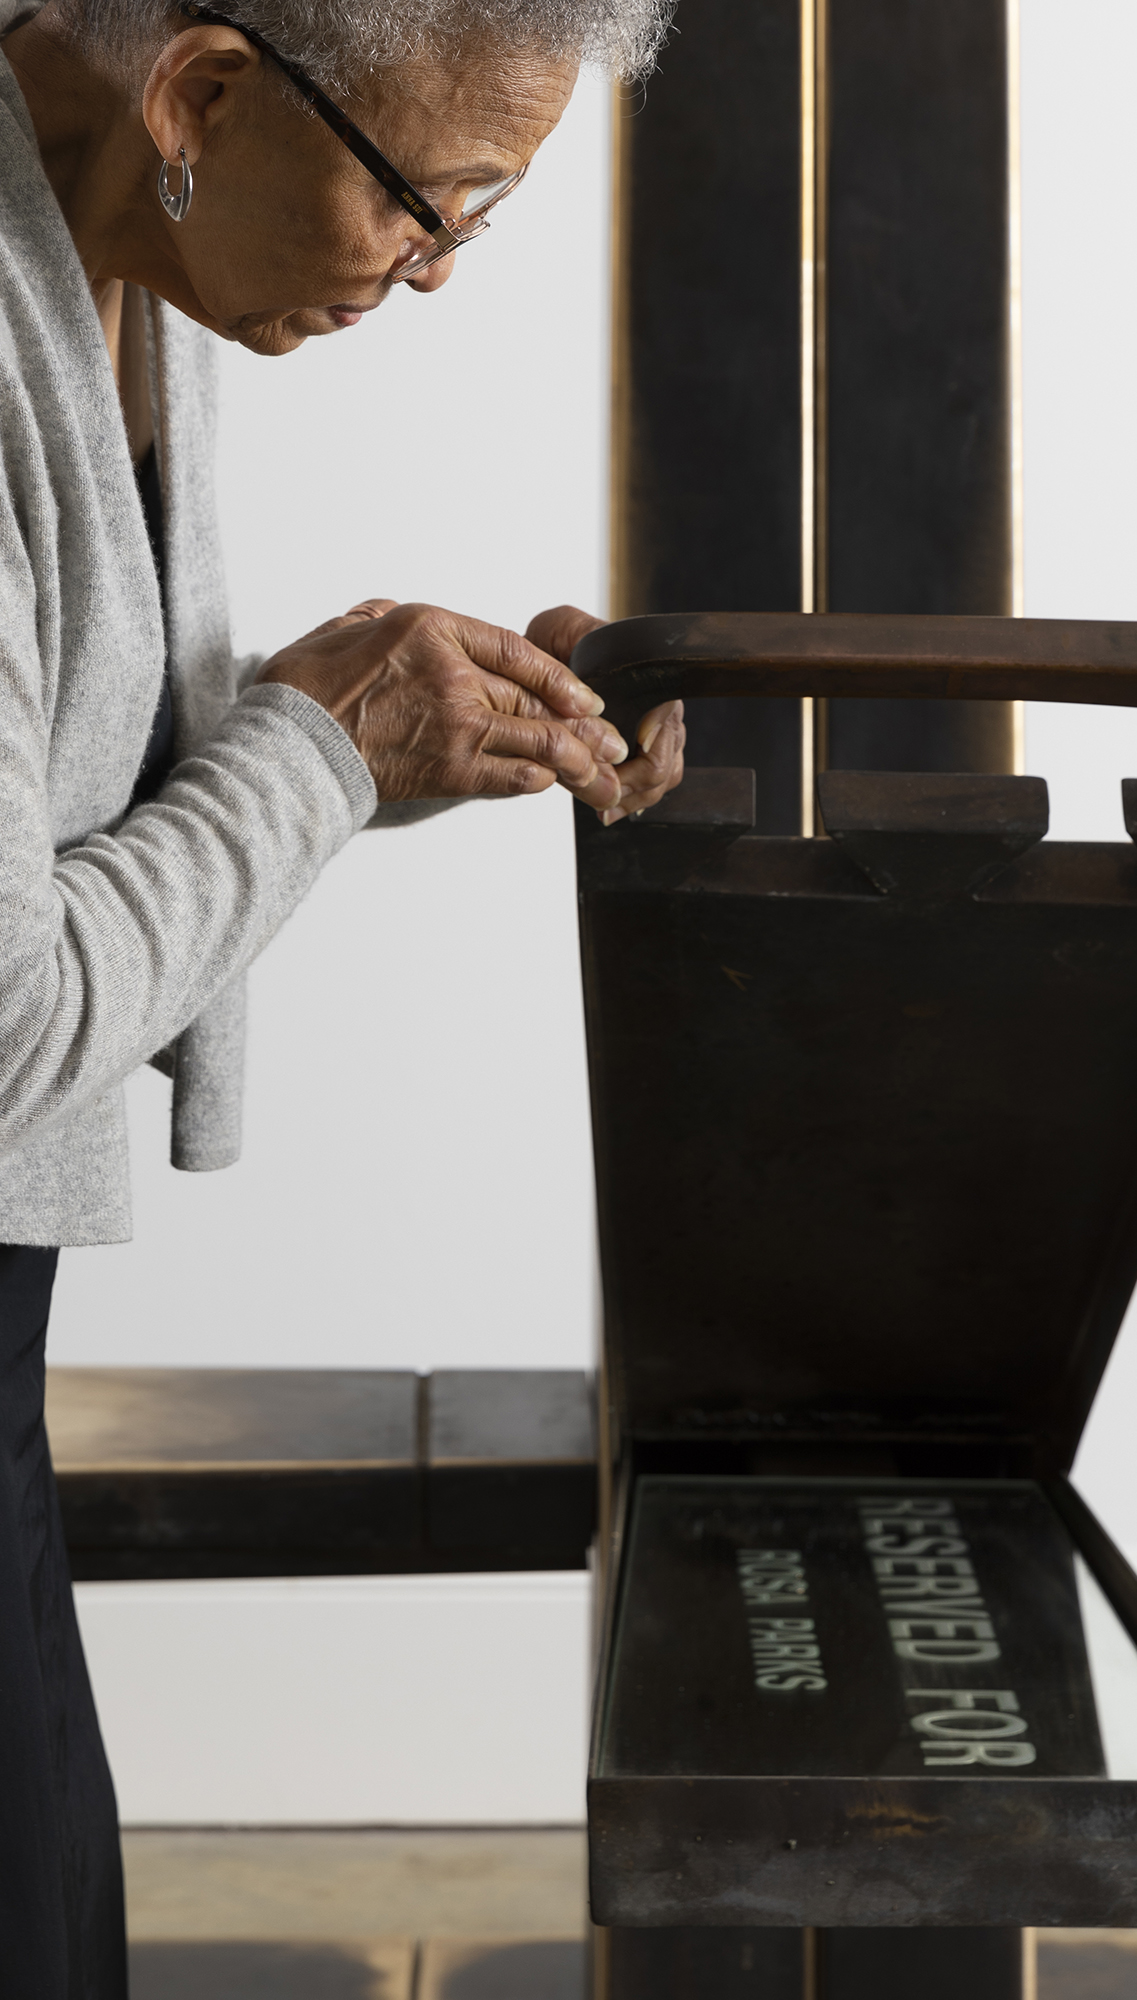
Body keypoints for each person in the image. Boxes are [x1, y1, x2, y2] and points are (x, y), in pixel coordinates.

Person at [0, 0, 683, 1986]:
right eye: (429, 202)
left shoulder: (110, 235)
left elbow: (70, 764)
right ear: (207, 91)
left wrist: (415, 711)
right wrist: (319, 753)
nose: (436, 274)